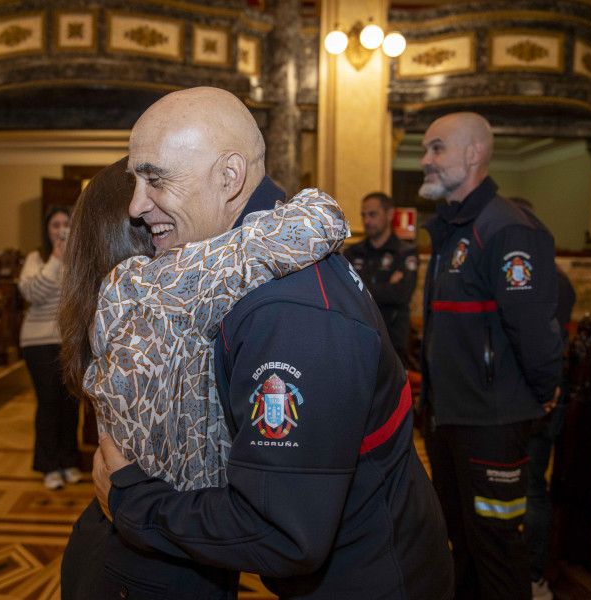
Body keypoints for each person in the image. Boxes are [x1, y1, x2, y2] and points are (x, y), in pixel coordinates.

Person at [91, 86, 454, 599]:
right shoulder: (262, 256)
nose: (135, 204)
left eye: (155, 179)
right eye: (135, 180)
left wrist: (134, 502)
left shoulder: (286, 308)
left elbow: (280, 531)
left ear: (229, 177)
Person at [59, 155, 348, 598]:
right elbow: (318, 222)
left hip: (120, 544)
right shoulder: (152, 289)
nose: (150, 203)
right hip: (154, 571)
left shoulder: (118, 298)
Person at [417, 113, 563, 600]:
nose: (426, 161)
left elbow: (535, 331)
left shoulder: (507, 229)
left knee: (497, 548)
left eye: (437, 149)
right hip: (450, 418)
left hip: (492, 423)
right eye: (426, 150)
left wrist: (544, 392)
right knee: (461, 543)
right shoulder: (454, 228)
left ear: (474, 153)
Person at [509, 197, 577, 600]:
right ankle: (522, 575)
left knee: (530, 488)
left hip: (535, 393)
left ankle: (530, 576)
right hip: (540, 391)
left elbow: (538, 343)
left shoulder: (535, 276)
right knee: (526, 486)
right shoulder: (556, 276)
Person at [18, 205, 81, 491]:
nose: (60, 230)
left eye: (65, 224)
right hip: (38, 341)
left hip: (70, 341)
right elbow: (32, 293)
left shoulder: (81, 256)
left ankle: (68, 461)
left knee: (70, 403)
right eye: (54, 225)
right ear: (47, 230)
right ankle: (48, 466)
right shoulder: (37, 257)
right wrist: (55, 258)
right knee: (48, 404)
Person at [343, 192, 419, 367]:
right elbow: (345, 294)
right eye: (364, 215)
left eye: (373, 214)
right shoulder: (352, 253)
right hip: (358, 337)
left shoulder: (405, 252)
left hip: (393, 339)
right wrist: (386, 287)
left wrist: (362, 289)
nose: (367, 220)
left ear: (390, 214)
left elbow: (402, 294)